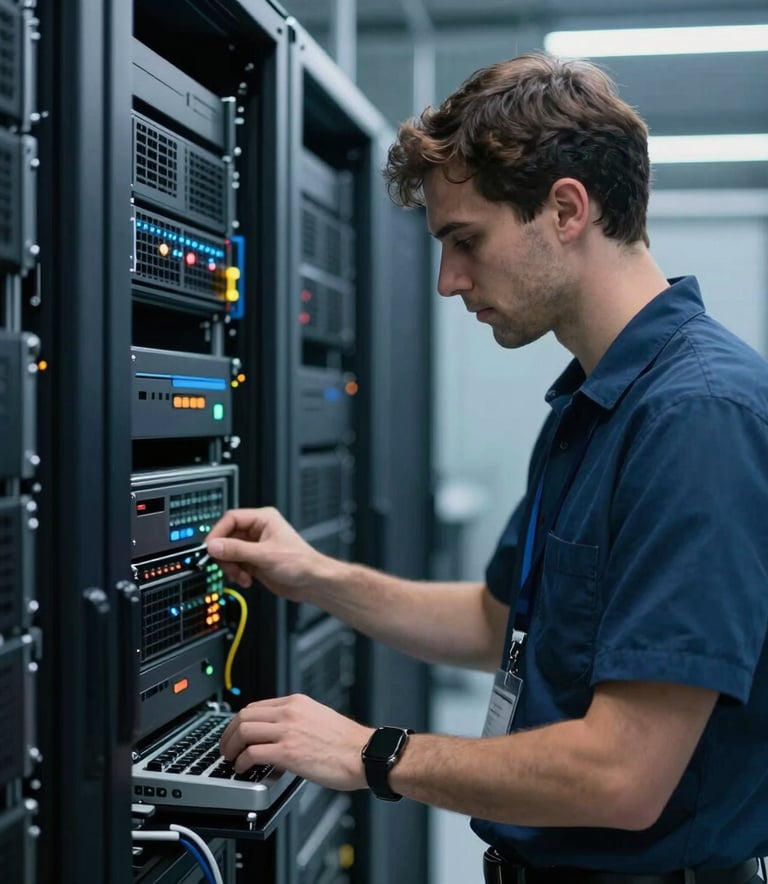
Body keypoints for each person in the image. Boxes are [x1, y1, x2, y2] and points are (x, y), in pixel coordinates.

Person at [207, 53, 768, 883]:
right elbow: (492, 621)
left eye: (465, 240)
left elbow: (626, 774)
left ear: (566, 209)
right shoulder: (594, 402)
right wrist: (314, 575)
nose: (446, 281)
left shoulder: (697, 419)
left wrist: (373, 752)